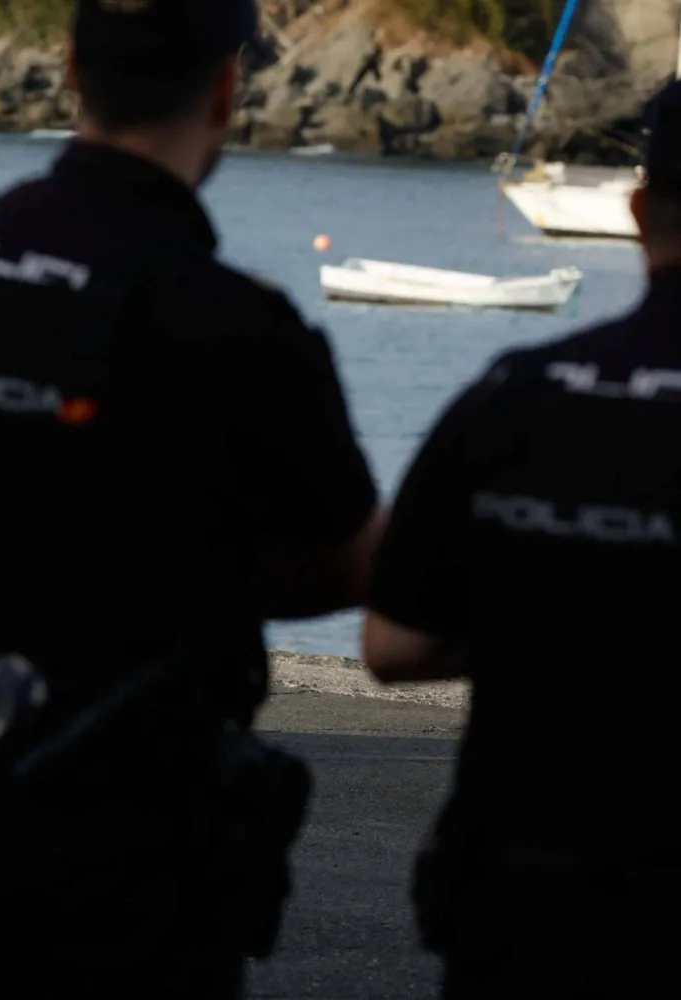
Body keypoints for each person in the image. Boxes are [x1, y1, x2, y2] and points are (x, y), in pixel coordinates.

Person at [0, 1, 385, 996]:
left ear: (70, 67)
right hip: (133, 850)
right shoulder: (233, 321)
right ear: (227, 88)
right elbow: (353, 562)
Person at [362, 80, 681, 999]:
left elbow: (391, 644)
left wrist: (560, 616)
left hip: (527, 903)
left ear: (637, 211)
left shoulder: (514, 395)